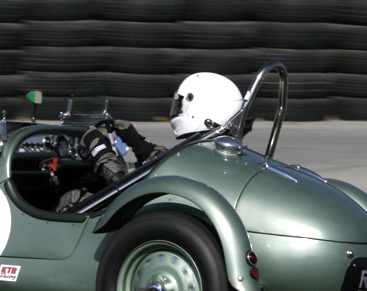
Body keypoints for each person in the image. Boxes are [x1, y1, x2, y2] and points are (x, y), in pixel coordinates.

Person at [55, 72, 244, 212]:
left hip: (150, 214)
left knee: (71, 198)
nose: (177, 110)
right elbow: (169, 162)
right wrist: (139, 143)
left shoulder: (201, 153)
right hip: (172, 211)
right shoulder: (215, 150)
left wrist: (99, 149)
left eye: (181, 104)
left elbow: (120, 186)